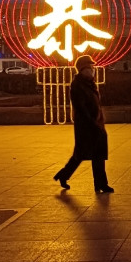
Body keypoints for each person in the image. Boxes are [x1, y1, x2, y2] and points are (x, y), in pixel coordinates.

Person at [53, 55, 114, 193]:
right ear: (83, 69)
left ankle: (100, 184)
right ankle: (64, 175)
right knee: (80, 155)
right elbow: (80, 107)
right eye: (90, 67)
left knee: (97, 155)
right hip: (86, 126)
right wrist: (91, 122)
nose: (93, 69)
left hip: (96, 123)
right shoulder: (77, 85)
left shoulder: (90, 84)